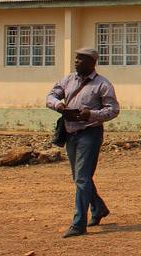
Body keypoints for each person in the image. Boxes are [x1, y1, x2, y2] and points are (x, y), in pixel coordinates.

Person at [46, 47, 120, 238]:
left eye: (81, 59)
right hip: (70, 132)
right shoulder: (68, 79)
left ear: (92, 62)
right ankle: (99, 208)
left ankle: (78, 223)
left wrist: (91, 114)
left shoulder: (103, 84)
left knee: (82, 178)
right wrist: (58, 104)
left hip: (90, 133)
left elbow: (113, 109)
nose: (76, 61)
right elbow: (51, 96)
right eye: (76, 58)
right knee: (80, 177)